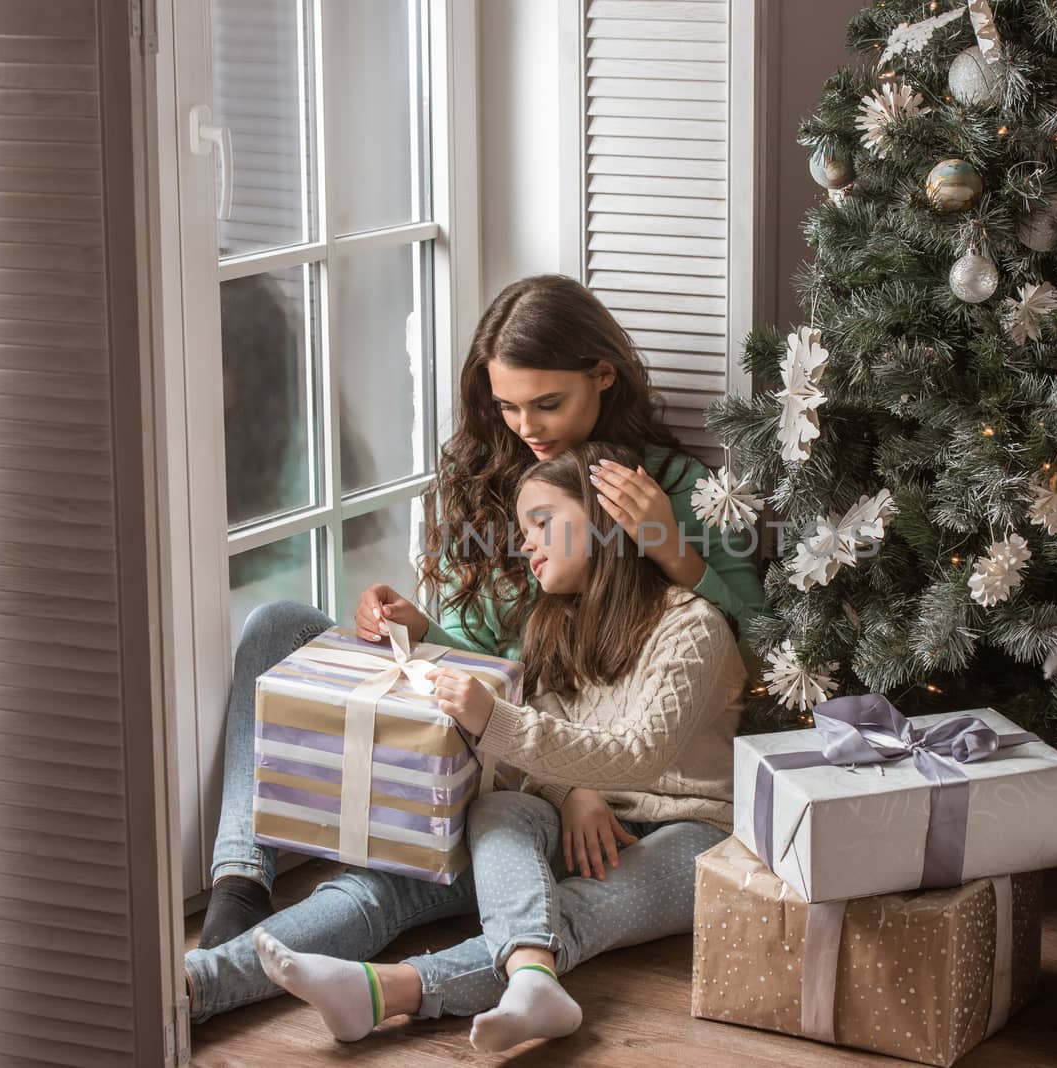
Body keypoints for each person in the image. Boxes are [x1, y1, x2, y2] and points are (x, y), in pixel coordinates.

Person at [185, 273, 763, 1013]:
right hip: (516, 757)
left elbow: (751, 649)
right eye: (507, 405)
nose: (527, 425)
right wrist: (420, 630)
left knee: (513, 898)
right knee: (276, 627)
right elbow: (496, 662)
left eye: (548, 404)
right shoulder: (488, 477)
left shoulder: (669, 493)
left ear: (603, 376)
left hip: (601, 773)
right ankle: (237, 888)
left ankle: (397, 989)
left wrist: (669, 544)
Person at [251, 442, 744, 1050]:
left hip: (692, 828)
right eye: (521, 530)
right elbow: (548, 741)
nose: (526, 544)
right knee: (499, 810)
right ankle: (530, 983)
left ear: (605, 519)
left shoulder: (694, 626)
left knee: (573, 911)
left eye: (542, 523)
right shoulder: (557, 623)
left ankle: (393, 989)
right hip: (593, 814)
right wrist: (569, 794)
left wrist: (495, 720)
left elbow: (637, 752)